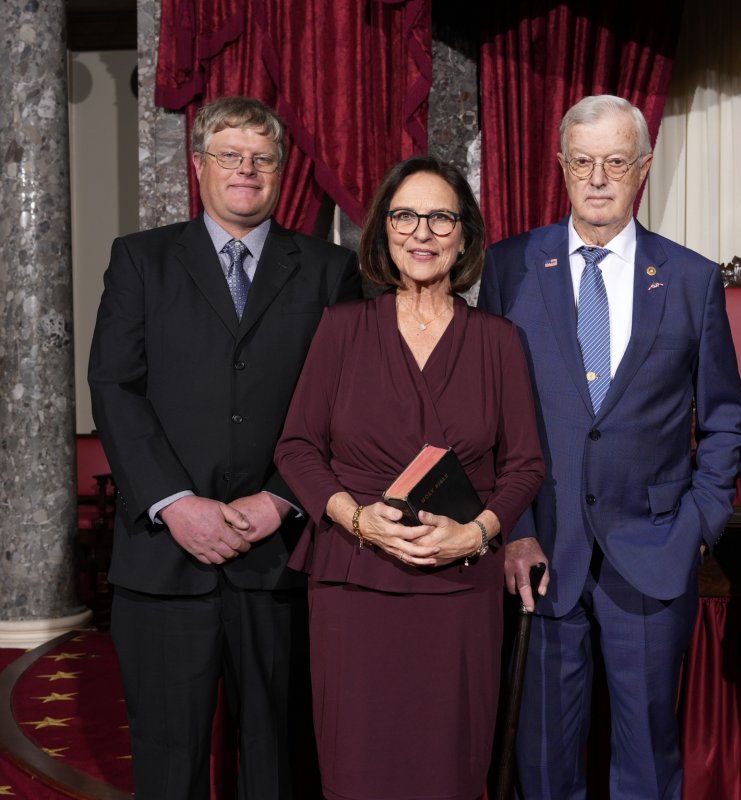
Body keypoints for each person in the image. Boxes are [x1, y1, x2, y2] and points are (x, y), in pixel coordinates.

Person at [88, 95, 361, 798]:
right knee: (168, 762)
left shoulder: (330, 272)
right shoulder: (141, 261)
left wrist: (280, 499)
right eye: (231, 155)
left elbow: (344, 406)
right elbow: (115, 389)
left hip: (280, 561)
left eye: (263, 158)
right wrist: (176, 504)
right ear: (199, 165)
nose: (248, 169)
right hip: (164, 560)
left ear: (281, 171)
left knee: (280, 766)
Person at [478, 94, 741, 799]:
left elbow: (722, 419)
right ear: (562, 167)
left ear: (644, 169)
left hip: (653, 555)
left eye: (616, 163)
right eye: (583, 163)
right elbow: (489, 417)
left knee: (648, 761)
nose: (598, 179)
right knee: (544, 761)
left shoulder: (691, 279)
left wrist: (699, 523)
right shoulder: (508, 267)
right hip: (540, 557)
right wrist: (514, 531)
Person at [273, 155, 545, 800]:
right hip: (354, 581)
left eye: (441, 217)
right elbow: (298, 447)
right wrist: (356, 518)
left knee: (449, 765)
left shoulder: (499, 341)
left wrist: (477, 534)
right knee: (359, 764)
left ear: (465, 234)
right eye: (404, 216)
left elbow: (526, 463)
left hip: (460, 589)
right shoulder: (342, 329)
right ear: (382, 231)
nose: (421, 232)